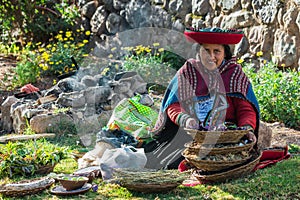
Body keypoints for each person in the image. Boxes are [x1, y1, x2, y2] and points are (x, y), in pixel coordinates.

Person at [143, 27, 260, 169]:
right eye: (206, 51)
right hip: (191, 134)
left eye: (217, 51)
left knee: (232, 160)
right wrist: (186, 119)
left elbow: (245, 108)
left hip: (226, 135)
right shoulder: (188, 71)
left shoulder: (234, 74)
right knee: (171, 161)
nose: (211, 56)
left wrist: (247, 128)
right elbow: (173, 105)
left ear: (225, 53)